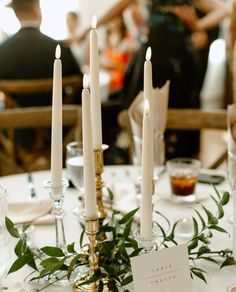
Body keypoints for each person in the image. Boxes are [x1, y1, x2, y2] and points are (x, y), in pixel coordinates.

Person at [77, 0, 230, 159]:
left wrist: (198, 25)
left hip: (177, 62)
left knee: (174, 111)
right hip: (152, 56)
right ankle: (140, 157)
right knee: (140, 107)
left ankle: (174, 162)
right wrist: (88, 28)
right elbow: (118, 7)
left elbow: (225, 9)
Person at [0, 0, 82, 170]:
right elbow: (81, 91)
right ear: (38, 10)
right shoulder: (61, 50)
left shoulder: (3, 52)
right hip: (60, 134)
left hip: (18, 136)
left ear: (16, 14)